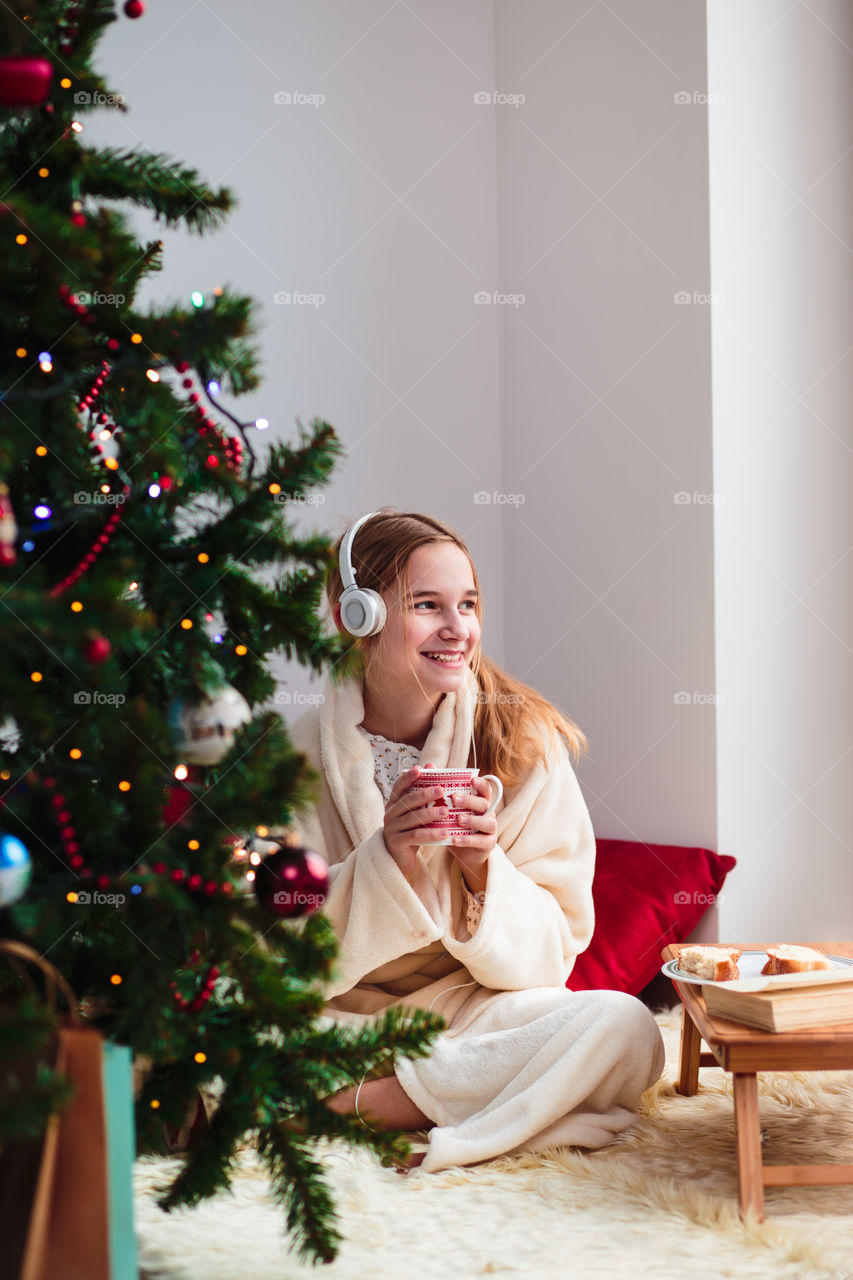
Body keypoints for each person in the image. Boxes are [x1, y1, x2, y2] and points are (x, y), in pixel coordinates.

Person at [287, 508, 665, 1173]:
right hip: (336, 1015)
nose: (457, 629)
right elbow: (274, 958)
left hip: (469, 1014)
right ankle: (459, 1097)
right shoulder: (282, 759)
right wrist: (387, 860)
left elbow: (551, 959)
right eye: (427, 605)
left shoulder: (523, 744)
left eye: (467, 604)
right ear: (359, 618)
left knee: (627, 1029)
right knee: (202, 1044)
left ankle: (351, 1109)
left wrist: (482, 869)